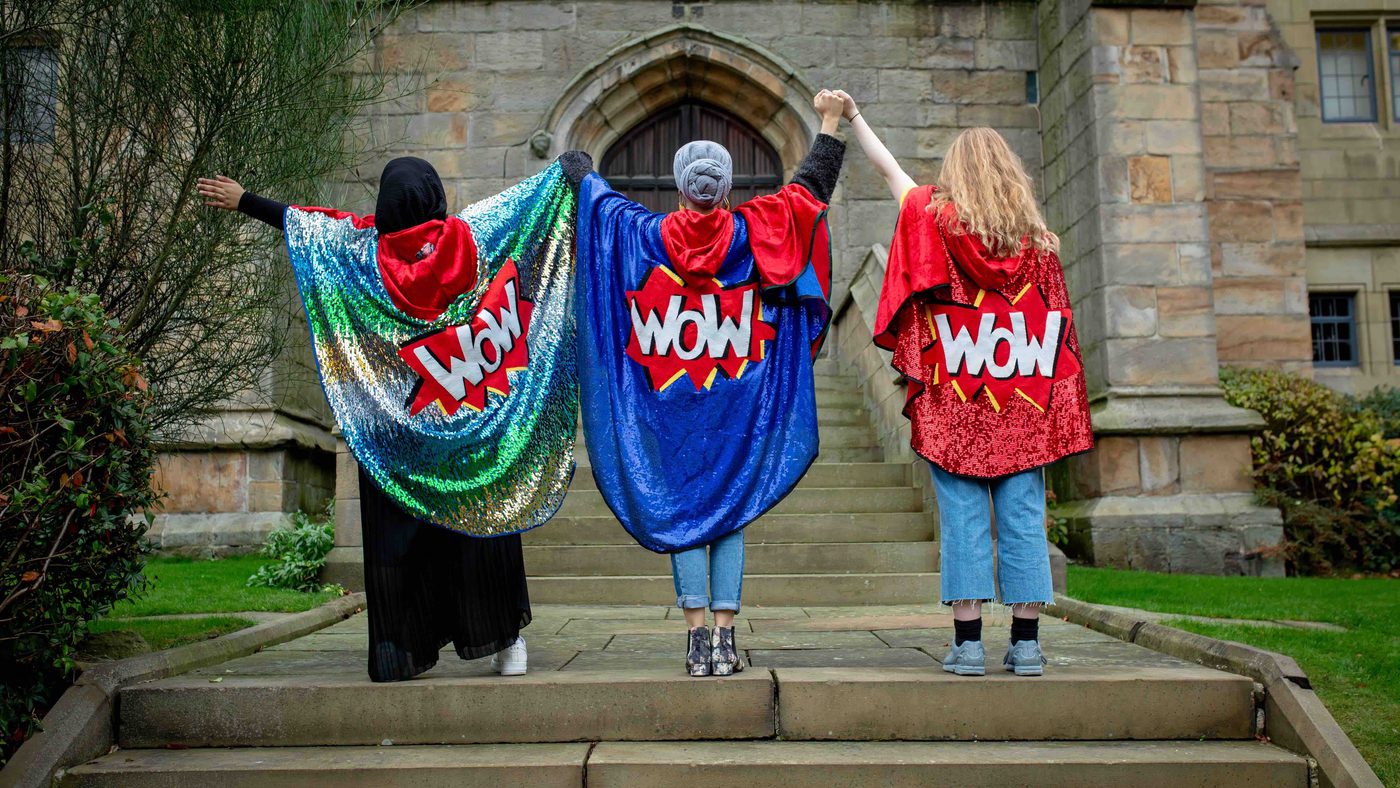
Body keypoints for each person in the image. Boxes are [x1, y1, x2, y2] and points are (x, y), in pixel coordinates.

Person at [196, 152, 593, 682]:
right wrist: (564, 176)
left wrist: (245, 200)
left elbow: (306, 223)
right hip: (470, 426)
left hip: (397, 433)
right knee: (483, 519)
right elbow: (526, 207)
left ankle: (399, 650)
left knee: (399, 539)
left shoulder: (359, 250)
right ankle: (505, 641)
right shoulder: (474, 237)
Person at [574, 91, 849, 677]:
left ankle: (695, 639)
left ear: (680, 190)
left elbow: (599, 208)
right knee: (730, 510)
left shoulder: (641, 234)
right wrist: (829, 121)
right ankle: (726, 639)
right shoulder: (757, 232)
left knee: (681, 510)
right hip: (737, 409)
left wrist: (579, 173)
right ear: (726, 191)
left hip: (669, 414)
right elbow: (809, 193)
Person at [837, 91, 1093, 677]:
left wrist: (854, 117)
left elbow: (889, 171)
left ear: (956, 172)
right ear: (1011, 176)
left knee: (963, 522)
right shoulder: (1039, 247)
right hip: (1023, 403)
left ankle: (969, 646)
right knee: (1024, 519)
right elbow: (1057, 336)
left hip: (955, 401)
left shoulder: (931, 221)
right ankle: (1026, 646)